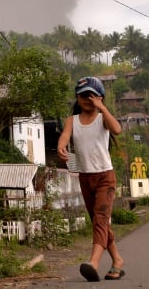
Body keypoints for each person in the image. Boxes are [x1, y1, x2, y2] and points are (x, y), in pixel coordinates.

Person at [57, 76, 125, 282]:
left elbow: (117, 130)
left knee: (101, 219)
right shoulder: (72, 121)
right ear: (77, 98)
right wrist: (62, 146)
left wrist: (102, 108)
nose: (87, 99)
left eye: (92, 95)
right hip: (85, 177)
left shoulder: (103, 118)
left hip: (105, 176)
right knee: (99, 221)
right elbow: (65, 135)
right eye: (83, 95)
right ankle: (118, 261)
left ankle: (93, 262)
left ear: (100, 97)